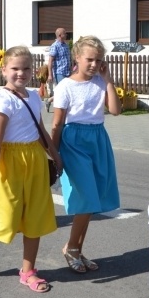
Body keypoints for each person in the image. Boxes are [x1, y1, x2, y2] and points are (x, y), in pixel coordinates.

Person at [0, 46, 61, 292]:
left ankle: (28, 271)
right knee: (5, 220)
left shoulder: (34, 96)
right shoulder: (1, 99)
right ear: (3, 69)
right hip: (8, 163)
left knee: (34, 219)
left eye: (26, 68)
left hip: (34, 160)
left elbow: (40, 130)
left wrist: (55, 155)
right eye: (15, 68)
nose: (21, 73)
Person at [51, 35, 120, 273]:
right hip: (73, 142)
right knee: (86, 197)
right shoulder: (65, 86)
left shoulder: (101, 82)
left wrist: (108, 79)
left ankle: (77, 250)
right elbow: (57, 124)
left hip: (98, 139)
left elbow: (115, 111)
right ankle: (70, 248)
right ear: (77, 58)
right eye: (89, 59)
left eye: (98, 60)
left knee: (92, 201)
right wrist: (54, 154)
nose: (93, 64)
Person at [45, 27, 71, 111]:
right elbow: (50, 61)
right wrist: (50, 75)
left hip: (68, 72)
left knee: (67, 90)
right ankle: (61, 108)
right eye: (65, 33)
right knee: (63, 91)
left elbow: (69, 58)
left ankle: (49, 100)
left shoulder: (66, 45)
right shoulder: (55, 46)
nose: (66, 35)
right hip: (59, 72)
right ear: (60, 35)